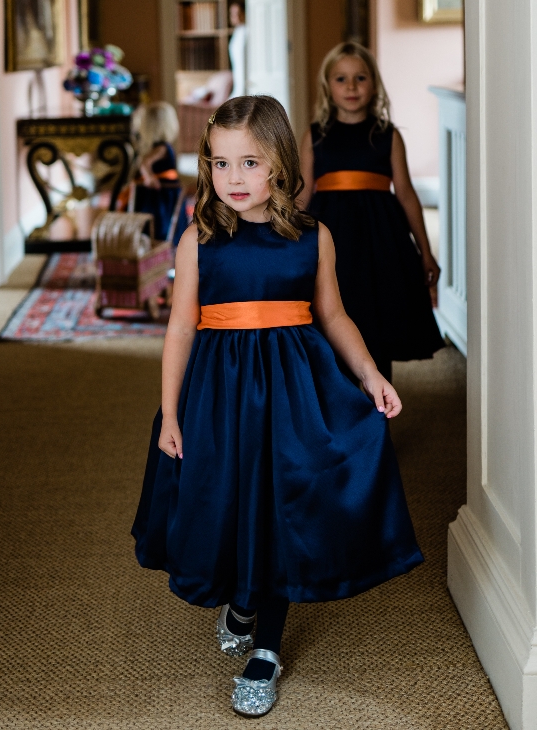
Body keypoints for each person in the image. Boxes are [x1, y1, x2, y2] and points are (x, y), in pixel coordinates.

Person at [132, 95, 423, 718]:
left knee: (285, 505)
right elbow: (180, 330)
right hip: (218, 394)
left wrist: (370, 375)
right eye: (219, 163)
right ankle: (241, 599)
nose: (233, 179)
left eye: (249, 163)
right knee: (228, 498)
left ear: (282, 167)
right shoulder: (198, 239)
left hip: (294, 391)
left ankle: (265, 647)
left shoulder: (313, 237)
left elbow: (334, 314)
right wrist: (171, 413)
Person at [299, 42, 445, 383]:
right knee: (330, 320)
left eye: (360, 78)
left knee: (378, 323)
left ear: (374, 85)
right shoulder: (315, 135)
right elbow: (302, 194)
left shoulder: (388, 136)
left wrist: (426, 252)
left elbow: (406, 194)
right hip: (331, 240)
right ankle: (340, 420)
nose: (351, 87)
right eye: (341, 79)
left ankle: (379, 420)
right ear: (327, 87)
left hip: (382, 242)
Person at [129, 101, 188, 244]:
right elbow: (145, 163)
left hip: (163, 192)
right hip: (162, 193)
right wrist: (149, 178)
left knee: (163, 223)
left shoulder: (160, 147)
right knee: (162, 224)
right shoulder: (163, 148)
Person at [228, 1, 247, 98]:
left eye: (239, 13)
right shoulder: (237, 32)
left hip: (246, 78)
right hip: (238, 78)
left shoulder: (246, 31)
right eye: (233, 14)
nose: (236, 17)